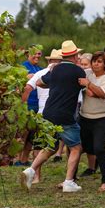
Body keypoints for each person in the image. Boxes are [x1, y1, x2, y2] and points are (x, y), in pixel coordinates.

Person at [20, 40, 86, 193]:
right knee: (76, 147)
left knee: (50, 146)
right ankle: (69, 182)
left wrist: (55, 84)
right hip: (65, 114)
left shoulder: (54, 70)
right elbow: (84, 86)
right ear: (75, 55)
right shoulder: (78, 71)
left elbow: (40, 82)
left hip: (48, 113)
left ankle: (30, 171)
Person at [21, 49, 63, 182]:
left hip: (41, 114)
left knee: (39, 145)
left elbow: (28, 88)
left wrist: (22, 106)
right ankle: (70, 178)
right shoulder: (63, 74)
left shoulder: (40, 73)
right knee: (64, 145)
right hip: (58, 112)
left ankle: (36, 176)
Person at [78, 51, 105, 192]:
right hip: (85, 117)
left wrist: (89, 86)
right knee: (77, 148)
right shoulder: (87, 73)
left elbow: (104, 94)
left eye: (99, 61)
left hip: (102, 118)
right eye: (94, 61)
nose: (95, 64)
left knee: (99, 148)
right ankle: (71, 179)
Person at [16, 45, 43, 167]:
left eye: (39, 54)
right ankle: (16, 158)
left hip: (37, 105)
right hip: (25, 105)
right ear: (28, 54)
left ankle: (24, 159)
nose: (37, 56)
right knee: (23, 133)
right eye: (35, 53)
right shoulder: (23, 67)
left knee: (32, 134)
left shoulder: (40, 69)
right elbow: (17, 82)